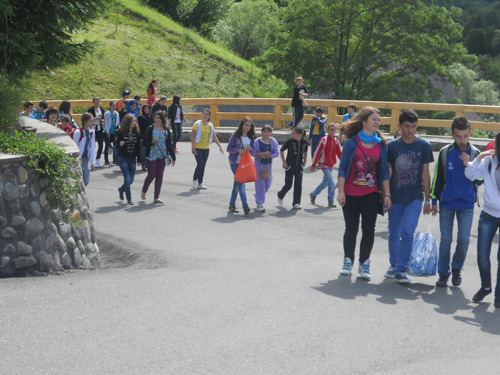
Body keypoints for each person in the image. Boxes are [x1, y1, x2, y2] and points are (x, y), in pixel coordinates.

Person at [337, 107, 391, 281]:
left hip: (370, 194)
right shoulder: (352, 143)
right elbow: (343, 168)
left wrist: (387, 195)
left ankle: (364, 263)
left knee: (369, 230)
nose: (377, 122)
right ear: (364, 121)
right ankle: (348, 261)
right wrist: (340, 192)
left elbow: (383, 171)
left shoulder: (381, 144)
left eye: (378, 120)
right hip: (351, 194)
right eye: (374, 119)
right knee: (351, 229)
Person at [431, 116, 482, 288]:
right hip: (447, 202)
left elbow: (481, 179)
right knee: (446, 240)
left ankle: (457, 268)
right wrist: (433, 198)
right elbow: (438, 177)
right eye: (459, 136)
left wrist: (470, 165)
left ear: (470, 134)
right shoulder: (445, 152)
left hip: (467, 204)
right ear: (452, 134)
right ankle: (443, 274)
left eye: (465, 136)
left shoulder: (476, 154)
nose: (462, 140)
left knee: (464, 240)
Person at [385, 109, 433, 284]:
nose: (410, 130)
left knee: (407, 232)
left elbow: (426, 173)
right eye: (407, 126)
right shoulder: (392, 146)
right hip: (395, 196)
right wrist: (386, 194)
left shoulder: (424, 146)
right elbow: (386, 173)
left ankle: (401, 269)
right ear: (399, 126)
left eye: (414, 126)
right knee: (394, 232)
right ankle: (393, 264)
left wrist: (428, 199)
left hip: (415, 196)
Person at [464, 132, 500, 307]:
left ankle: (499, 295)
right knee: (482, 255)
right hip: (488, 214)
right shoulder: (488, 162)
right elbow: (470, 175)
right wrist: (480, 156)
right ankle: (486, 287)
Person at [141, 111, 176, 204]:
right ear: (154, 119)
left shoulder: (166, 129)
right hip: (152, 154)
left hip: (162, 155)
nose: (158, 120)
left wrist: (173, 157)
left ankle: (156, 197)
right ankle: (144, 190)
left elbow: (169, 144)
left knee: (160, 175)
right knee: (151, 174)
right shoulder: (150, 129)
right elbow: (144, 143)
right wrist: (152, 141)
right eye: (156, 118)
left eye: (160, 118)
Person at [227, 117, 257, 215]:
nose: (247, 127)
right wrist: (237, 150)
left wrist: (250, 149)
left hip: (245, 164)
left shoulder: (251, 138)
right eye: (246, 125)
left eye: (249, 125)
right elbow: (229, 148)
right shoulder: (235, 136)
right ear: (242, 125)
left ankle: (232, 204)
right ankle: (245, 205)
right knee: (241, 184)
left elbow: (254, 152)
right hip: (235, 163)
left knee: (237, 184)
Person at [310, 123, 342, 208]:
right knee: (331, 182)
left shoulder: (336, 141)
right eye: (331, 130)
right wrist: (313, 164)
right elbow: (317, 152)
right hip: (323, 164)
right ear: (327, 130)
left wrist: (345, 163)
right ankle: (330, 200)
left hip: (331, 165)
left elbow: (339, 154)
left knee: (325, 183)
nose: (332, 131)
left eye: (334, 130)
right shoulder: (323, 140)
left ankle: (313, 194)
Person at [190, 108, 224, 190]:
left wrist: (219, 146)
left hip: (206, 148)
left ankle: (200, 182)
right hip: (198, 147)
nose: (204, 115)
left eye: (206, 114)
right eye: (203, 113)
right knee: (200, 164)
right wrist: (193, 147)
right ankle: (194, 180)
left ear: (209, 116)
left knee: (203, 166)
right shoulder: (197, 124)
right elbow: (192, 136)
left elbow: (214, 136)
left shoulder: (210, 125)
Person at [277, 126, 308, 209]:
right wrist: (284, 162)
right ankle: (280, 195)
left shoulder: (304, 142)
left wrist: (304, 161)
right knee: (288, 184)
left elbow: (305, 152)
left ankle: (296, 202)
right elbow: (282, 150)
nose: (292, 135)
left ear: (300, 134)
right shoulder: (290, 142)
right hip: (290, 166)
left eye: (294, 133)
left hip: (299, 166)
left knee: (298, 184)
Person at [252, 124, 279, 212]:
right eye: (265, 132)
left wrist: (270, 155)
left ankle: (258, 194)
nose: (266, 134)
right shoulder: (257, 141)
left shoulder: (273, 141)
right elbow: (253, 153)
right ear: (262, 132)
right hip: (259, 165)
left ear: (271, 133)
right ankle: (259, 203)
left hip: (268, 166)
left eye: (268, 132)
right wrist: (261, 154)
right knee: (260, 184)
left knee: (268, 183)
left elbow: (277, 153)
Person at [116, 114, 141, 205]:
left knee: (131, 180)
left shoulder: (136, 133)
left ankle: (121, 189)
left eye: (134, 121)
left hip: (132, 158)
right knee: (127, 178)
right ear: (127, 122)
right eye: (132, 121)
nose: (134, 123)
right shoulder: (121, 132)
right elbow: (117, 145)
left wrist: (139, 159)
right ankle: (129, 198)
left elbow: (138, 147)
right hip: (123, 158)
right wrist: (120, 144)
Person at [72, 113, 95, 186]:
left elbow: (92, 147)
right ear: (85, 122)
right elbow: (74, 146)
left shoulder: (91, 132)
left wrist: (92, 162)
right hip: (78, 158)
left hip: (85, 158)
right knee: (76, 178)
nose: (92, 122)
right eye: (90, 121)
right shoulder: (78, 132)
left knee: (86, 180)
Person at [88, 97, 105, 168]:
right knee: (92, 145)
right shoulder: (90, 110)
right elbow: (88, 119)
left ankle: (98, 159)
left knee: (101, 144)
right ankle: (92, 160)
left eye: (98, 103)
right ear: (93, 103)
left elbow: (103, 118)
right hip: (92, 128)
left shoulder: (101, 109)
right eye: (95, 103)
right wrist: (95, 118)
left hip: (99, 129)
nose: (97, 104)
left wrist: (101, 120)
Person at [138, 105, 154, 170]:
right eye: (145, 109)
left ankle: (148, 164)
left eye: (148, 109)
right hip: (143, 137)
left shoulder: (151, 117)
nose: (146, 110)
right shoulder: (140, 117)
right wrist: (141, 137)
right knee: (143, 151)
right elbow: (139, 128)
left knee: (149, 151)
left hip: (150, 136)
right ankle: (143, 164)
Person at [104, 101, 120, 165]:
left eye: (115, 106)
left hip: (114, 132)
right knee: (107, 146)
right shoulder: (107, 113)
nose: (114, 107)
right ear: (110, 106)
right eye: (113, 106)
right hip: (108, 132)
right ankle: (106, 160)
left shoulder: (116, 113)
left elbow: (118, 122)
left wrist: (119, 129)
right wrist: (107, 131)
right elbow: (105, 123)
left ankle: (115, 159)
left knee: (115, 146)